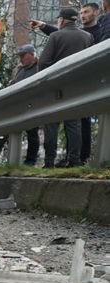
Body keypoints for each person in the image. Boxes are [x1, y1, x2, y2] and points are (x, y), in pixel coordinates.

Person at [32, 4, 100, 164]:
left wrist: (46, 80)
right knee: (74, 124)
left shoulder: (56, 36)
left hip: (56, 86)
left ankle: (49, 161)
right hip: (77, 87)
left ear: (62, 20)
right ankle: (75, 160)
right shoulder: (87, 37)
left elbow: (43, 62)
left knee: (51, 123)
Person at [10, 45, 40, 165]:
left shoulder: (40, 67)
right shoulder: (18, 69)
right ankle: (13, 161)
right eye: (20, 56)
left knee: (32, 134)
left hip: (32, 104)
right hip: (17, 104)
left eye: (23, 56)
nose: (21, 59)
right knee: (14, 131)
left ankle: (30, 161)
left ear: (32, 55)